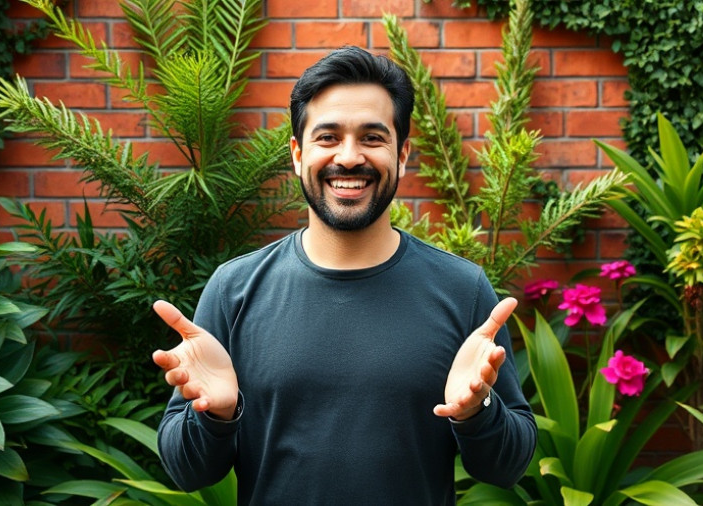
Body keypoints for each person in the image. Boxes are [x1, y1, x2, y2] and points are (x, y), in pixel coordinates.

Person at [152, 45, 537, 505]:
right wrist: (216, 416)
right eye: (328, 137)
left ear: (403, 154)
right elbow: (186, 470)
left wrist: (478, 412)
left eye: (373, 138)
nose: (349, 157)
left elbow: (508, 466)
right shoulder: (234, 290)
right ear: (297, 154)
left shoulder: (461, 290)